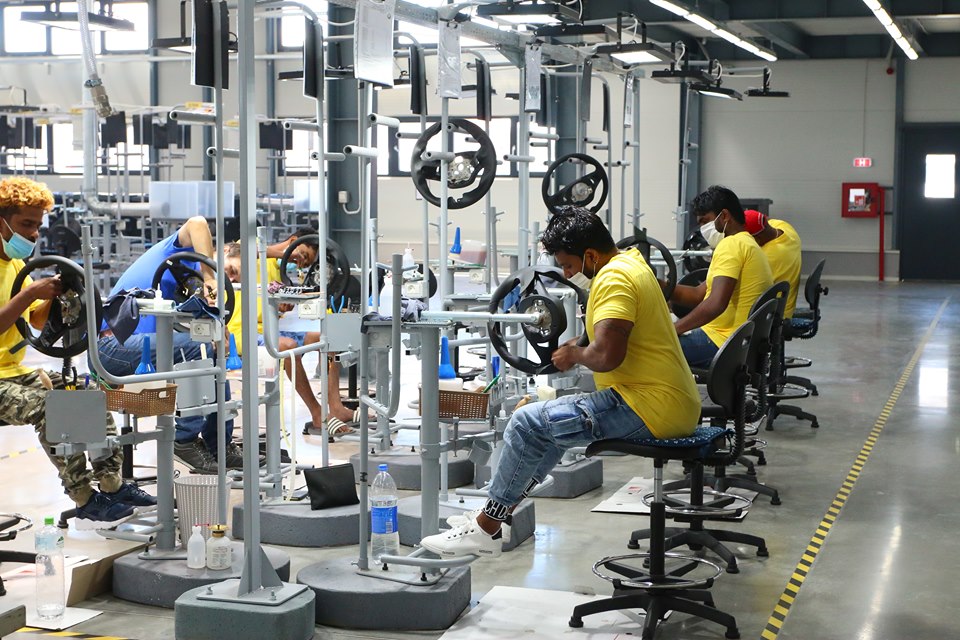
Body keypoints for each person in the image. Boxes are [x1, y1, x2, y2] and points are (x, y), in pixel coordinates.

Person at [419, 206, 701, 558]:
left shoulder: (613, 279)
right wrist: (579, 344)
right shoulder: (631, 263)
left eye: (568, 266)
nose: (567, 274)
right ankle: (496, 513)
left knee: (525, 422)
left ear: (591, 255)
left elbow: (607, 356)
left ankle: (486, 528)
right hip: (670, 401)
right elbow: (615, 333)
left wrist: (576, 355)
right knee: (547, 427)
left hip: (648, 406)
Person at [0, 177, 155, 529]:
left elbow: (34, 320)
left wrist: (58, 296)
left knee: (88, 392)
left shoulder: (15, 265)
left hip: (14, 373)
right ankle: (84, 498)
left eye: (37, 226)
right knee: (49, 407)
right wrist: (30, 294)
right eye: (26, 224)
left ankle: (112, 485)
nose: (33, 234)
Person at [96, 216, 247, 474]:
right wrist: (209, 275)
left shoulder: (191, 284)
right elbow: (197, 222)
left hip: (145, 349)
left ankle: (220, 445)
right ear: (222, 252)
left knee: (213, 350)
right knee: (198, 346)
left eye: (232, 279)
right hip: (112, 346)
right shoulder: (181, 251)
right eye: (231, 271)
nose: (228, 279)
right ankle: (185, 440)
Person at [222, 230, 358, 438]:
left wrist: (282, 306)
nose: (300, 263)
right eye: (303, 255)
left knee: (330, 339)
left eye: (305, 263)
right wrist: (286, 253)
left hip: (265, 331)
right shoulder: (257, 248)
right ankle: (317, 414)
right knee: (287, 347)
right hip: (237, 333)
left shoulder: (282, 277)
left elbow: (269, 309)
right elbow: (243, 251)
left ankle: (336, 407)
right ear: (294, 241)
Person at [669, 186, 773, 369]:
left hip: (723, 342)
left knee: (645, 346)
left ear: (724, 216)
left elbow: (716, 304)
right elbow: (698, 295)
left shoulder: (731, 246)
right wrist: (660, 286)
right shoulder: (747, 242)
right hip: (741, 341)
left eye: (705, 221)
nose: (703, 229)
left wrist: (673, 329)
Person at [744, 209, 802, 319]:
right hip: (785, 307)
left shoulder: (765, 257)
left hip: (773, 317)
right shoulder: (787, 228)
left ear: (758, 239)